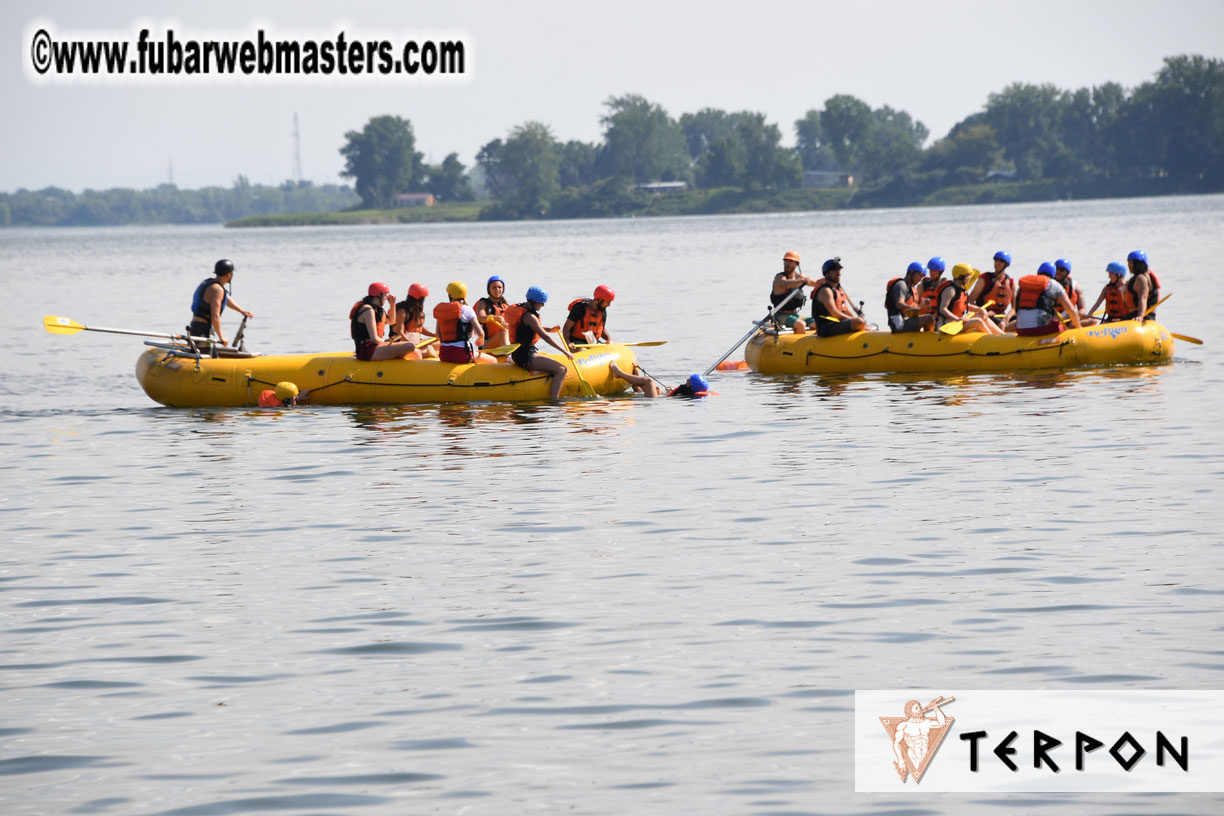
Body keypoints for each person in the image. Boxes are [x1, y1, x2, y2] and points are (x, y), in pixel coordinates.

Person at [507, 286, 576, 400]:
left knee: (552, 363)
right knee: (561, 370)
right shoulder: (530, 317)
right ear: (533, 301)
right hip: (524, 356)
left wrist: (549, 329)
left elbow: (529, 329)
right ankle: (554, 401)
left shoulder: (524, 311)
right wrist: (565, 351)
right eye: (541, 303)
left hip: (519, 353)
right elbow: (545, 337)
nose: (542, 305)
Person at [188, 259, 254, 346]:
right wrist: (221, 336)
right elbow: (215, 315)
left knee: (212, 355)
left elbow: (225, 298)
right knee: (206, 357)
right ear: (228, 274)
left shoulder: (210, 283)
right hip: (202, 330)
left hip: (195, 326)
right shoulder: (217, 289)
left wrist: (241, 310)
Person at [351, 282, 419, 361]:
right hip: (367, 350)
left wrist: (392, 305)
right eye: (386, 295)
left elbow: (391, 321)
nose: (387, 298)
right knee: (410, 346)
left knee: (416, 352)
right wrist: (388, 343)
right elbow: (374, 339)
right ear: (378, 295)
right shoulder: (367, 310)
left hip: (376, 347)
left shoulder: (377, 310)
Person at [434, 281, 496, 364]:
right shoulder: (467, 310)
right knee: (493, 360)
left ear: (450, 295)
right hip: (462, 354)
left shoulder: (442, 310)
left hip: (444, 354)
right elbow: (480, 333)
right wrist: (480, 340)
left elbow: (438, 335)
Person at [1014, 262, 1081, 336]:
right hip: (1040, 330)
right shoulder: (1054, 284)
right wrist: (1080, 330)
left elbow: (1016, 308)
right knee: (1065, 320)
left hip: (1021, 330)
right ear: (1053, 274)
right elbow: (1071, 309)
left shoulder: (1023, 286)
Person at [937, 264, 1004, 334]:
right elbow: (942, 309)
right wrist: (957, 318)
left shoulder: (961, 289)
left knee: (982, 316)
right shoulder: (950, 290)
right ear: (961, 276)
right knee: (978, 321)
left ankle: (1001, 335)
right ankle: (991, 339)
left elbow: (965, 305)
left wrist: (980, 309)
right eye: (968, 275)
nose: (970, 277)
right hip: (947, 325)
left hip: (959, 322)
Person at [811, 258, 866, 336]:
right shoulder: (825, 291)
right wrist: (854, 321)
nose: (838, 273)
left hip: (837, 324)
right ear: (827, 274)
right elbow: (834, 313)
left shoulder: (838, 289)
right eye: (834, 270)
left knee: (862, 323)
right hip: (826, 327)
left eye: (839, 270)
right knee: (859, 322)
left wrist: (857, 321)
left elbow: (846, 311)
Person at [770, 251, 820, 333]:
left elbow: (816, 283)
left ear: (796, 264)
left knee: (818, 323)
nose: (787, 264)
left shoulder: (800, 277)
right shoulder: (779, 278)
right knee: (801, 324)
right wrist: (802, 280)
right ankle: (798, 344)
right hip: (780, 315)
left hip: (794, 315)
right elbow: (787, 284)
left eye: (790, 262)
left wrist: (827, 280)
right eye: (786, 261)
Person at [967, 250, 1016, 326]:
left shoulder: (1011, 283)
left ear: (1006, 265)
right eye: (996, 260)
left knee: (1019, 322)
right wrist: (983, 311)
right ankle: (1001, 333)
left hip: (1002, 316)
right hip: (985, 315)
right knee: (1002, 324)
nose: (997, 262)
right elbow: (969, 302)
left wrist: (1007, 318)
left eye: (1001, 261)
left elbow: (1014, 308)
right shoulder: (984, 279)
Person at [608, 364, 714, 398]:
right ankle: (633, 376)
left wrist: (671, 394)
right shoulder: (685, 392)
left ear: (692, 387)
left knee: (649, 382)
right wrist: (670, 392)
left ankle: (619, 373)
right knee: (657, 389)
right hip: (659, 398)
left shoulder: (686, 395)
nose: (687, 379)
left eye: (690, 380)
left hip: (655, 402)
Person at [885, 262, 934, 333]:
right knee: (928, 319)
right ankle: (929, 341)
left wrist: (922, 307)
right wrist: (917, 308)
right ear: (911, 272)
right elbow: (899, 304)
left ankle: (927, 337)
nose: (920, 279)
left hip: (908, 320)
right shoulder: (901, 285)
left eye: (922, 277)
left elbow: (911, 311)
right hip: (899, 324)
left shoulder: (912, 289)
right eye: (919, 275)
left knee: (931, 317)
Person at [391, 283, 437, 357]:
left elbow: (419, 328)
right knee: (416, 352)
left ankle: (425, 353)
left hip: (415, 343)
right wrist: (411, 344)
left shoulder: (417, 310)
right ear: (420, 298)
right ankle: (425, 354)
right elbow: (400, 333)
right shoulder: (402, 311)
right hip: (401, 343)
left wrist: (434, 335)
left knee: (438, 343)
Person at [564, 285, 615, 349]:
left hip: (594, 343)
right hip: (577, 343)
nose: (609, 305)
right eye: (608, 302)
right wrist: (568, 342)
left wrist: (609, 339)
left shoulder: (603, 311)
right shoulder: (579, 308)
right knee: (581, 350)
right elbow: (566, 328)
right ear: (600, 299)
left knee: (611, 349)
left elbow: (601, 328)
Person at [1053, 258, 1097, 327]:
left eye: (1062, 270)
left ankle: (1072, 325)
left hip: (1069, 317)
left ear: (1067, 272)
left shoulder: (1075, 287)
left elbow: (1082, 308)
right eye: (1056, 268)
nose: (1058, 271)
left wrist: (1075, 317)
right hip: (1054, 317)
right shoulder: (1049, 285)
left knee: (1093, 320)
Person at [474, 276, 511, 349]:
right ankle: (509, 355)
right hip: (486, 345)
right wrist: (497, 318)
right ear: (489, 290)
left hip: (502, 343)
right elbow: (481, 318)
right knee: (503, 332)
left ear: (503, 289)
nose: (497, 289)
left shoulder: (505, 306)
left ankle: (511, 353)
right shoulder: (483, 303)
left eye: (499, 287)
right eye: (494, 287)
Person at [1125, 250, 1162, 322]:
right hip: (1139, 316)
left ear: (1137, 264)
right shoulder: (1143, 277)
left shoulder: (1141, 278)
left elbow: (1143, 298)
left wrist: (1140, 316)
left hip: (1141, 316)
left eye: (1130, 263)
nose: (1129, 266)